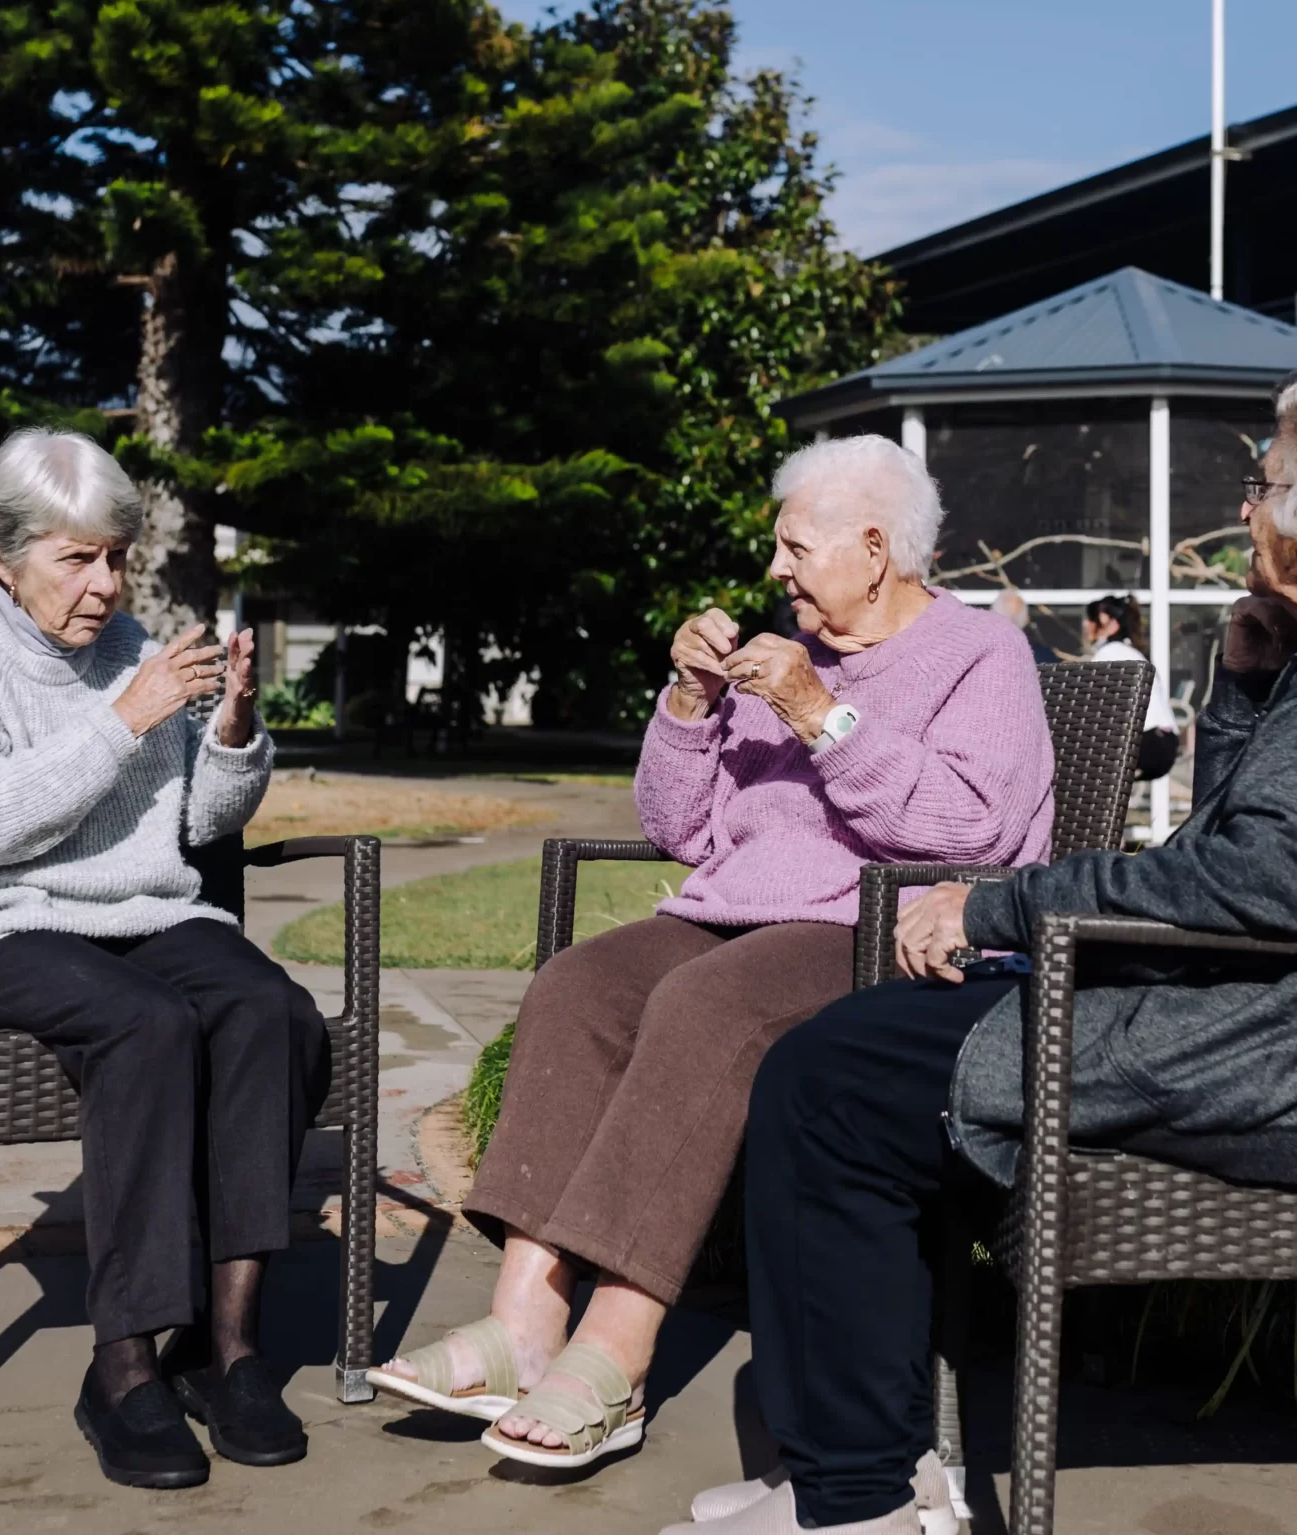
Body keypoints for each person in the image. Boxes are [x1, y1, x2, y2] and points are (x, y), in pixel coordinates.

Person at [674, 363, 1297, 1534]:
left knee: (828, 1077)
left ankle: (855, 1498)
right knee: (864, 1053)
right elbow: (1277, 850)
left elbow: (1270, 878)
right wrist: (1248, 688)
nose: (1245, 510)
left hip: (1288, 1060)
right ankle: (872, 1467)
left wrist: (993, 909)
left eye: (1266, 484)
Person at [368, 435, 1056, 1476]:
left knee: (708, 1006)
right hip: (727, 915)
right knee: (577, 986)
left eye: (795, 548)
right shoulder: (786, 654)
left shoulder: (978, 657)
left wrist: (822, 718)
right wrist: (687, 704)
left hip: (871, 931)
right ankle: (522, 1320)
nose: (776, 570)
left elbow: (973, 831)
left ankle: (618, 1351)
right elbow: (679, 828)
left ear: (874, 550)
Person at [0, 428, 327, 1492]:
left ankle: (226, 1347)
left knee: (273, 1011)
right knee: (146, 1025)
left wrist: (232, 730)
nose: (107, 584)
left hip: (142, 914)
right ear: (2, 556)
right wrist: (126, 719)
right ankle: (122, 1365)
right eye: (77, 560)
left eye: (116, 557)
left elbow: (200, 828)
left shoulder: (134, 650)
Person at [1080, 593, 1182, 780]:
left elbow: (1091, 706)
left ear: (1111, 625)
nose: (1087, 624)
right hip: (1165, 743)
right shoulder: (1131, 653)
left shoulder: (1108, 653)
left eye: (1093, 619)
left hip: (1145, 743)